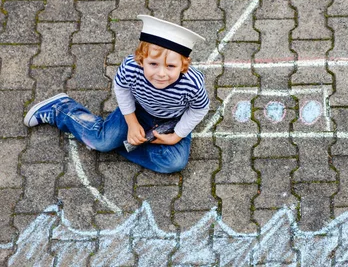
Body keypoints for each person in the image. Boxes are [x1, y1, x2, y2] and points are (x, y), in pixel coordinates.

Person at [23, 15, 210, 173]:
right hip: (138, 112)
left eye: (171, 66)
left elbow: (200, 108)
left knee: (174, 163)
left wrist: (176, 136)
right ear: (141, 59)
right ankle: (60, 109)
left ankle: (120, 141)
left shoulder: (191, 83)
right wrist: (132, 122)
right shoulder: (131, 67)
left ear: (183, 65)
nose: (161, 73)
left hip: (172, 121)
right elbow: (121, 87)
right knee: (101, 143)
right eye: (153, 64)